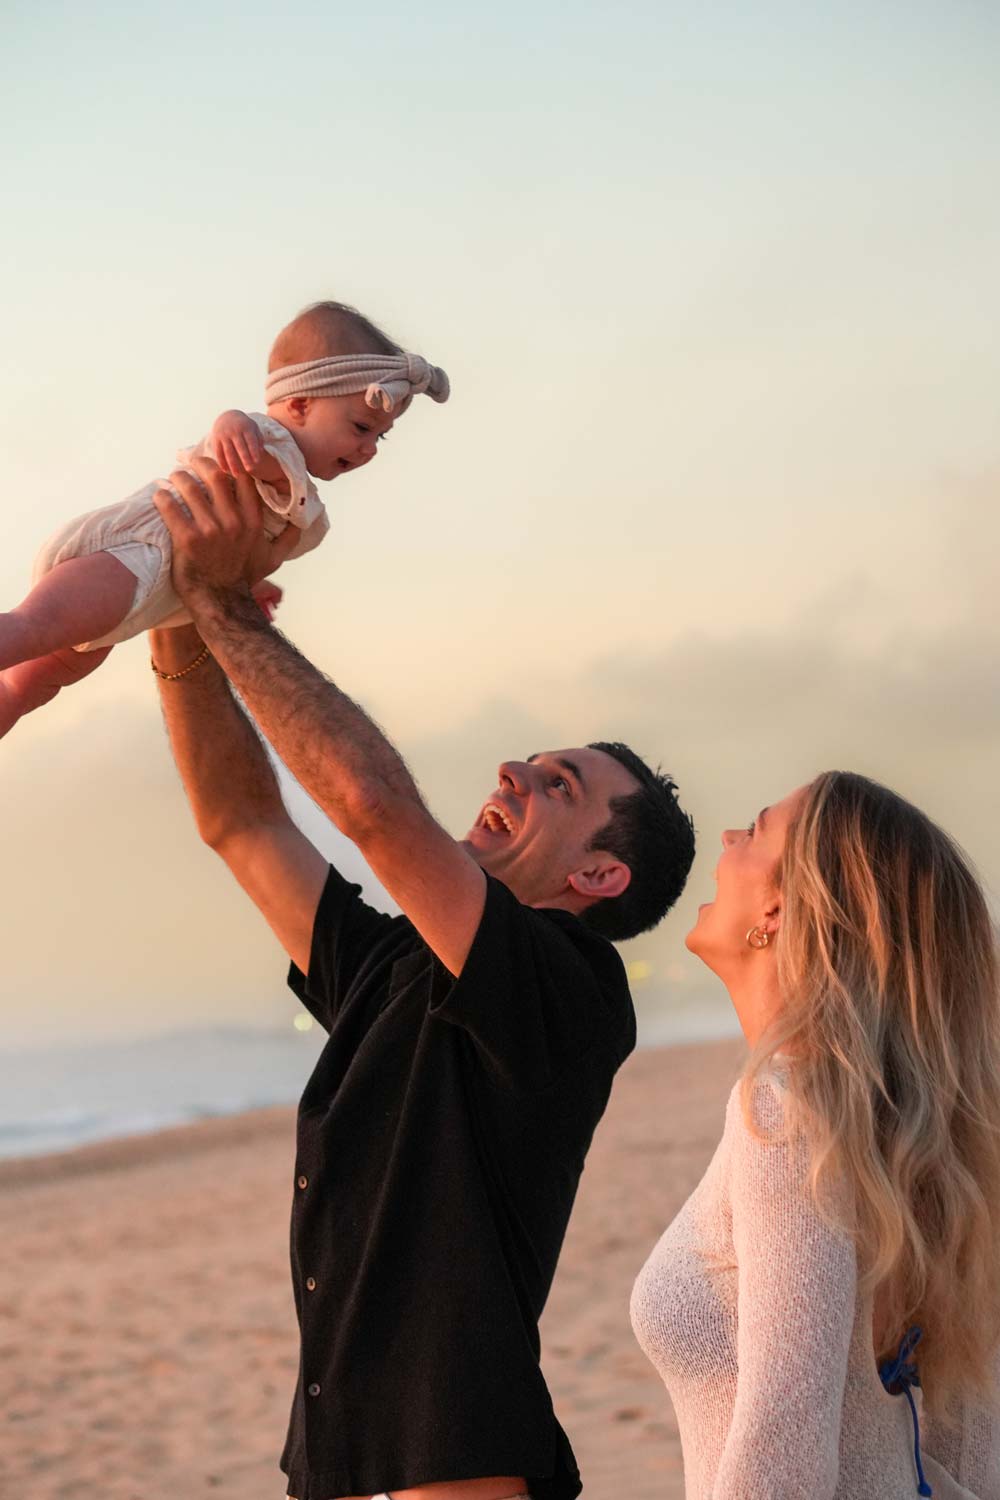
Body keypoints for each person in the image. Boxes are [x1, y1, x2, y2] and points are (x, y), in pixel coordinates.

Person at [148, 457, 697, 1500]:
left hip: (457, 1467)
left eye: (558, 784)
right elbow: (243, 824)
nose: (513, 772)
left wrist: (226, 605)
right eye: (531, 758)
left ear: (596, 873)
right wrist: (178, 626)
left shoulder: (572, 992)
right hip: (338, 1459)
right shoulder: (396, 960)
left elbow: (370, 806)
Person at [631, 772, 1000, 1498]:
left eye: (757, 828)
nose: (730, 838)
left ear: (782, 905)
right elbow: (976, 1448)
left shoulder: (788, 1114)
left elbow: (784, 1439)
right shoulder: (895, 1127)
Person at [0, 301, 448, 738]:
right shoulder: (271, 445)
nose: (369, 448)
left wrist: (249, 584)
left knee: (28, 686)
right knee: (28, 630)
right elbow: (249, 453)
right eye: (361, 428)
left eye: (381, 437)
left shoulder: (287, 480)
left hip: (145, 595)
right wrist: (232, 422)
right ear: (299, 405)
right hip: (133, 557)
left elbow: (238, 538)